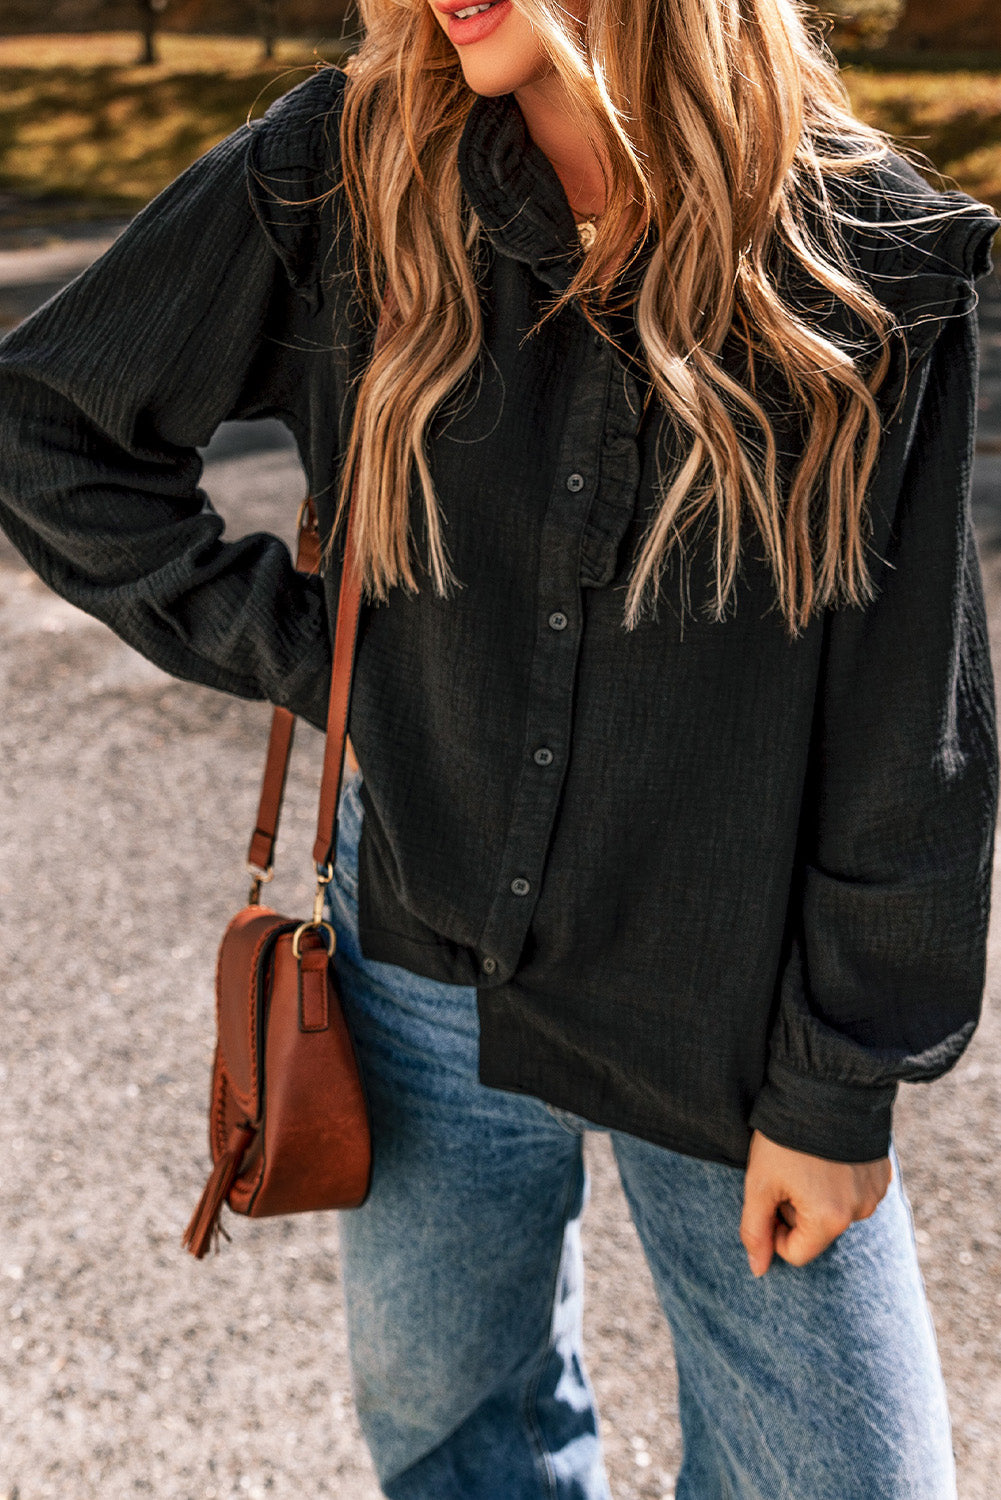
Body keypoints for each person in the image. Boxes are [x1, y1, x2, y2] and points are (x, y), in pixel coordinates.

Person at [0, 0, 998, 1495]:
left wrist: (838, 1084)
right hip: (417, 948)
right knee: (454, 1431)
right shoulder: (347, 168)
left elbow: (902, 733)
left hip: (724, 1012)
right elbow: (48, 425)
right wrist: (317, 656)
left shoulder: (863, 255)